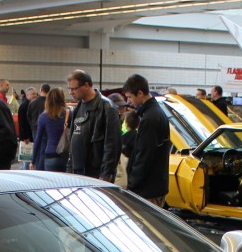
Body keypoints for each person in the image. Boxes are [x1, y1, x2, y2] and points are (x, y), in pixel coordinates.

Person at [121, 73, 171, 205]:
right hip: (155, 186)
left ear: (140, 93)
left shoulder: (150, 118)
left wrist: (131, 184)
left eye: (130, 97)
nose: (128, 101)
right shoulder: (156, 112)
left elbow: (145, 155)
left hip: (148, 190)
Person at [65, 69, 120, 181]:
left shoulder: (107, 107)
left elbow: (112, 145)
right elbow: (73, 142)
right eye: (69, 89)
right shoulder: (78, 108)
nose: (71, 92)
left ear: (86, 85)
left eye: (74, 89)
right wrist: (69, 170)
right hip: (78, 172)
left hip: (96, 173)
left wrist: (105, 174)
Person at [32, 87, 70, 172]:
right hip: (65, 155)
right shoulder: (69, 114)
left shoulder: (43, 116)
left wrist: (33, 160)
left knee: (51, 179)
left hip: (50, 154)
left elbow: (38, 140)